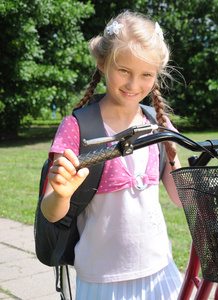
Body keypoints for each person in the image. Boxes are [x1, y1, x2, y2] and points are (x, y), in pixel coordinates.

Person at [40, 11, 183, 299]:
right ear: (103, 64)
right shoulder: (77, 127)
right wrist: (61, 194)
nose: (133, 85)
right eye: (124, 71)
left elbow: (181, 198)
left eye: (146, 75)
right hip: (102, 280)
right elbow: (51, 212)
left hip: (161, 271)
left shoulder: (157, 124)